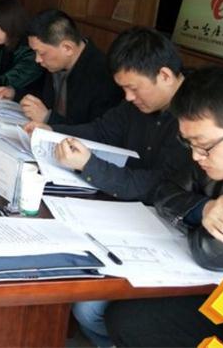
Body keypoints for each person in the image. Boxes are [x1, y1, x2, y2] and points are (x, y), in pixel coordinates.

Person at [24, 27, 188, 347]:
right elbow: (101, 130)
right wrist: (54, 131)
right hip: (128, 215)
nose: (128, 98)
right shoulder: (136, 106)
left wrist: (90, 165)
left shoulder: (196, 116)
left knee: (89, 309)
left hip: (169, 231)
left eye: (133, 88)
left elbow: (158, 185)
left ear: (165, 75)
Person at [105, 67, 223, 348]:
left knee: (132, 321)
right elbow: (164, 190)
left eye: (204, 146)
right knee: (125, 317)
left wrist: (196, 221)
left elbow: (212, 251)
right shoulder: (213, 152)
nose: (196, 156)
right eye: (189, 144)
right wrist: (205, 209)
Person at [20, 9, 121, 124]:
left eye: (42, 53)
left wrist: (48, 118)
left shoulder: (103, 75)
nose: (37, 59)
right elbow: (44, 97)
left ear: (67, 48)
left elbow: (95, 130)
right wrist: (15, 94)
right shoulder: (56, 62)